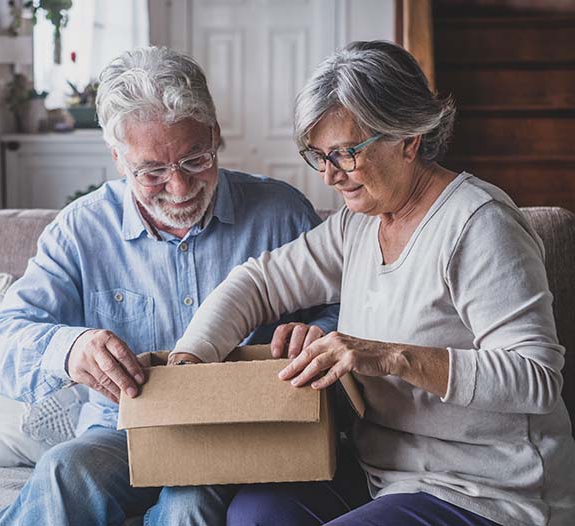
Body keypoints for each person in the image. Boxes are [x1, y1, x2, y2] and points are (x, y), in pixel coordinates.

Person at [171, 40, 575, 526]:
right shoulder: (357, 224)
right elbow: (259, 283)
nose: (329, 176)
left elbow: (537, 380)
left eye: (344, 154)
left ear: (409, 138)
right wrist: (189, 359)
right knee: (254, 514)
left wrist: (392, 356)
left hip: (483, 488)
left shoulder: (479, 225)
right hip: (382, 473)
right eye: (317, 156)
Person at [0, 46, 338, 526]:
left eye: (194, 160)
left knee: (190, 503)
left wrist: (319, 332)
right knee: (64, 470)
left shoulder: (280, 214)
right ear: (118, 159)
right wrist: (70, 347)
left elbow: (349, 313)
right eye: (153, 171)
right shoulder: (81, 230)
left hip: (239, 431)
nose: (180, 188)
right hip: (119, 434)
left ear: (216, 135)